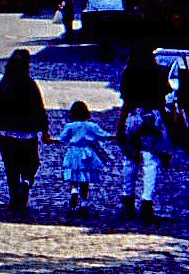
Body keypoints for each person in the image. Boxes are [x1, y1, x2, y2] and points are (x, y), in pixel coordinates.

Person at [0, 49, 54, 212]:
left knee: (11, 167)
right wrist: (44, 131)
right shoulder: (30, 84)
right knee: (32, 163)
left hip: (6, 133)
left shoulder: (4, 84)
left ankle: (15, 197)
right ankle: (26, 183)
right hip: (27, 134)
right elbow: (39, 109)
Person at [115, 45, 173, 222]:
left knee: (130, 161)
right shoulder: (158, 72)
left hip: (133, 117)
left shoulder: (129, 72)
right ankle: (147, 201)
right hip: (152, 118)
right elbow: (164, 99)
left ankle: (128, 199)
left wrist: (121, 124)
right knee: (150, 161)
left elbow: (125, 100)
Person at [57, 100, 112, 213]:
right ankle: (84, 202)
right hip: (87, 152)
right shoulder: (91, 126)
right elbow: (103, 135)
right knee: (85, 177)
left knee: (73, 173)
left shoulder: (70, 126)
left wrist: (49, 139)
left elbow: (62, 138)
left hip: (73, 152)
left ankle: (74, 190)